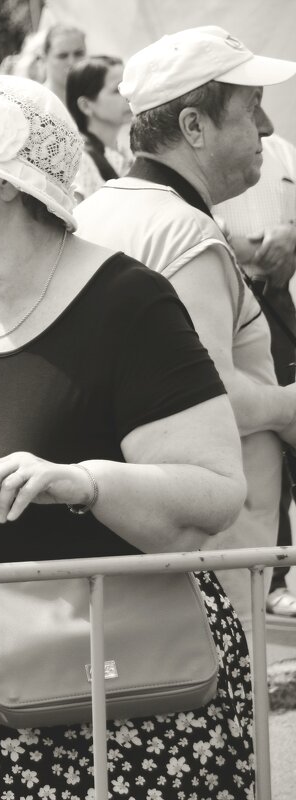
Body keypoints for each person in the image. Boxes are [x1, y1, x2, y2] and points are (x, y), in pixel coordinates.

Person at [0, 74, 254, 799]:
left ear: (7, 181)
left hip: (134, 701)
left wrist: (85, 481)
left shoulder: (129, 303)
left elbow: (216, 490)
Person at [76, 26, 296, 635]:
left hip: (143, 547)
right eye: (251, 112)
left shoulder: (98, 212)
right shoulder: (186, 234)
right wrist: (285, 406)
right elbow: (212, 391)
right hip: (214, 562)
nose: (268, 130)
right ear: (195, 128)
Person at [212, 133, 296, 617]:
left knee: (279, 439)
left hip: (276, 299)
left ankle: (274, 571)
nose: (261, 118)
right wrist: (245, 241)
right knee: (257, 433)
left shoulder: (283, 150)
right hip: (233, 295)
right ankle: (264, 576)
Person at [66, 55, 132, 200]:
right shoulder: (79, 162)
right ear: (86, 105)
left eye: (127, 86)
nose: (128, 95)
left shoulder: (125, 151)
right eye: (117, 90)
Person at [41, 23, 86, 101]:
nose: (72, 62)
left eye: (78, 54)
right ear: (44, 58)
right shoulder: (35, 103)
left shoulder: (95, 102)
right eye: (62, 56)